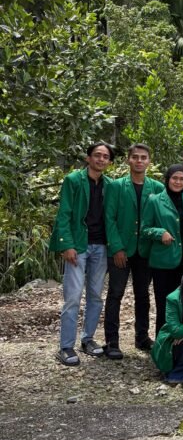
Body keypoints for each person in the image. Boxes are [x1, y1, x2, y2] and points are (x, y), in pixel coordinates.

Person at [52, 142, 115, 366]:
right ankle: (66, 346)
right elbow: (64, 214)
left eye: (105, 156)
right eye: (97, 155)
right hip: (78, 245)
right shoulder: (73, 180)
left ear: (109, 162)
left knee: (96, 295)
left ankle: (87, 339)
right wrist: (66, 244)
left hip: (101, 245)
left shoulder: (110, 185)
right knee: (73, 297)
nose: (100, 159)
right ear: (88, 158)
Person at [103, 143, 164, 358]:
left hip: (145, 251)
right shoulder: (116, 186)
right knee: (115, 294)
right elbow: (109, 218)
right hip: (121, 249)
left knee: (143, 295)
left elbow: (160, 217)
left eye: (143, 157)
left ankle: (142, 337)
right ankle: (112, 341)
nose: (139, 161)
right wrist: (116, 247)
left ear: (149, 161)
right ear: (128, 160)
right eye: (135, 157)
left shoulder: (157, 188)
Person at [143, 165, 183, 335]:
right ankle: (163, 343)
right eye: (174, 178)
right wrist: (160, 233)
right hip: (163, 261)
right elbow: (145, 228)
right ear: (167, 179)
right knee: (164, 304)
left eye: (182, 179)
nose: (178, 182)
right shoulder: (155, 201)